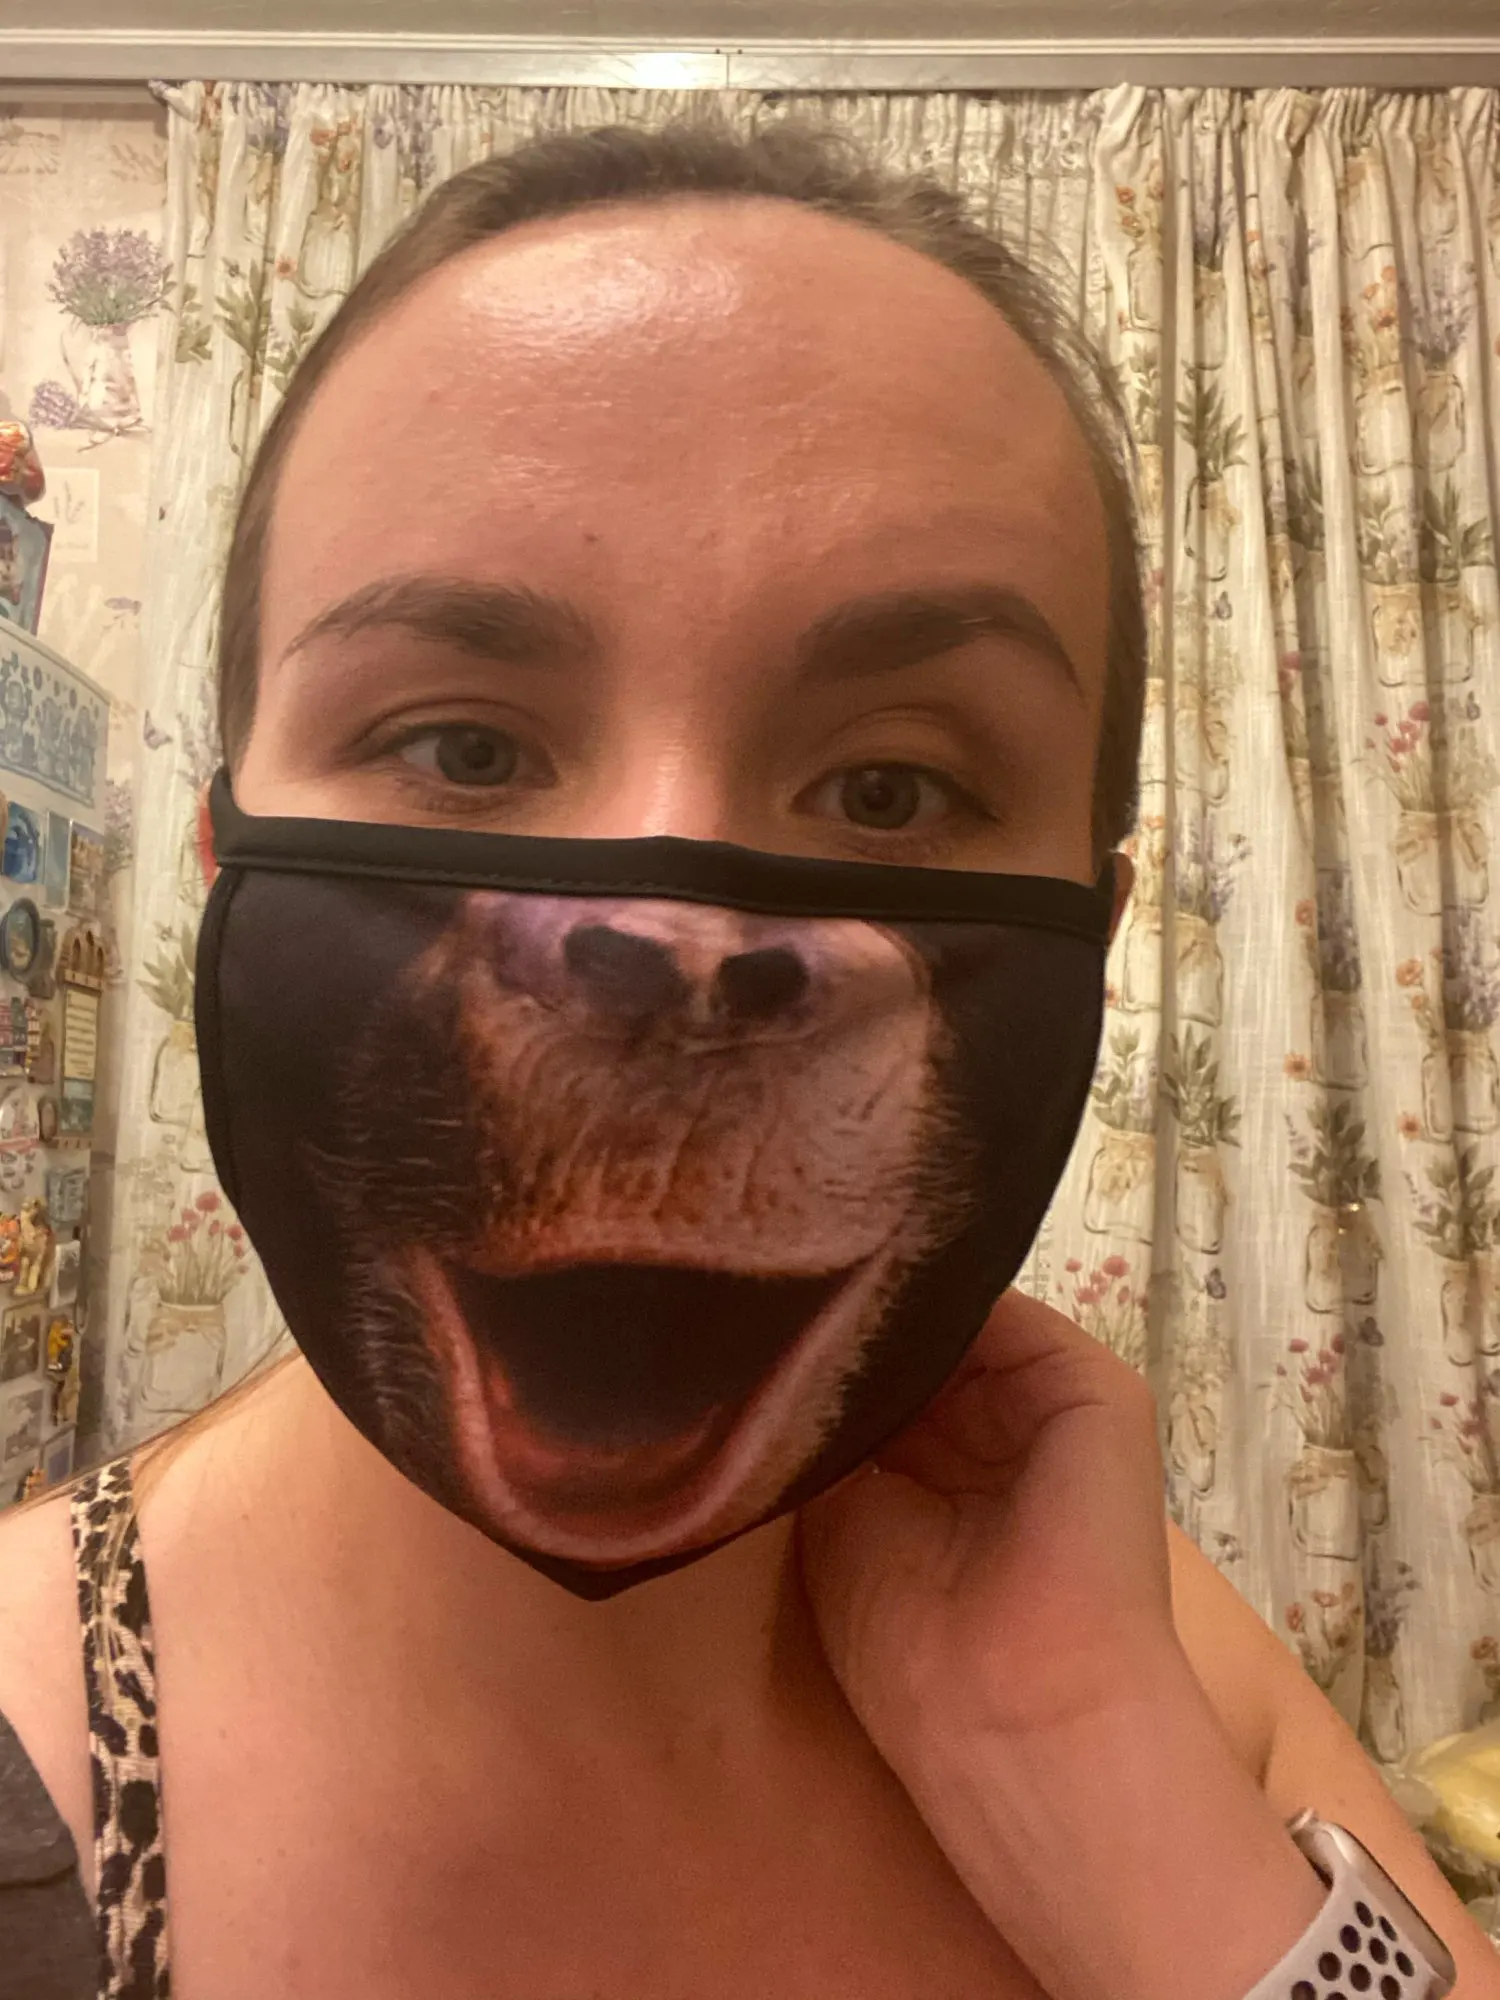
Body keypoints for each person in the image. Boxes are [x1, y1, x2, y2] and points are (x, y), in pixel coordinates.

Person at [0, 116, 1493, 2000]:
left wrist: (1097, 1782)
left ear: (1102, 927)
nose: (677, 940)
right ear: (224, 856)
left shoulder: (1142, 1656)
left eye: (891, 787)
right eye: (466, 748)